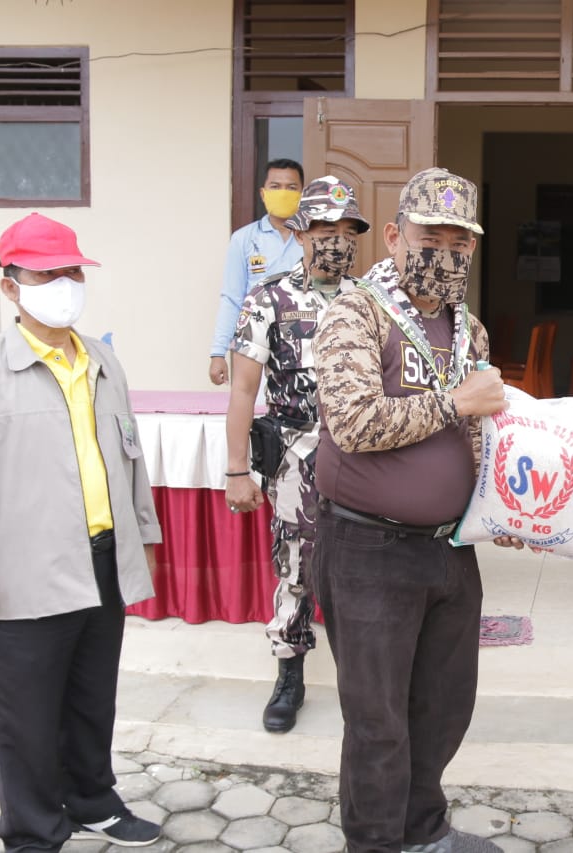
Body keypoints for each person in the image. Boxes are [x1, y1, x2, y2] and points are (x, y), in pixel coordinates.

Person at [0, 214, 162, 850]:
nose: (64, 284)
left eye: (71, 271)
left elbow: (130, 456)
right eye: (46, 273)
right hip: (22, 576)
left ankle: (93, 799)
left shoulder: (102, 361)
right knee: (25, 719)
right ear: (11, 287)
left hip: (100, 561)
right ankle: (34, 831)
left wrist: (142, 533)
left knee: (92, 700)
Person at [312, 167, 508, 853]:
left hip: (450, 549)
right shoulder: (355, 312)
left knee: (442, 706)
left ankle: (422, 829)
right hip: (369, 551)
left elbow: (483, 436)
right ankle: (373, 842)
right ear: (395, 236)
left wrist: (512, 505)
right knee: (377, 720)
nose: (446, 251)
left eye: (461, 240)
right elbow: (354, 422)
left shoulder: (470, 330)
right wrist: (457, 402)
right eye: (432, 235)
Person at [225, 175, 370, 733]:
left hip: (362, 455)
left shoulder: (369, 302)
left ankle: (364, 678)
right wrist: (238, 470)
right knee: (295, 567)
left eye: (345, 230)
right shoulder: (270, 299)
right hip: (294, 458)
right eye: (324, 229)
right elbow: (242, 390)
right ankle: (290, 674)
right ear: (300, 232)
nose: (335, 240)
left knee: (362, 565)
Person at [209, 158, 305, 385]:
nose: (283, 192)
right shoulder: (244, 239)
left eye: (291, 188)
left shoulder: (312, 238)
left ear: (303, 193)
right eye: (275, 186)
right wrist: (218, 353)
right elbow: (232, 299)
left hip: (305, 344)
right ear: (263, 193)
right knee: (256, 411)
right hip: (255, 344)